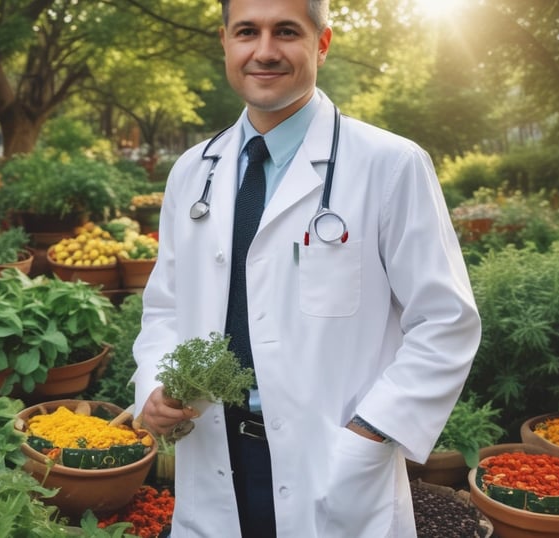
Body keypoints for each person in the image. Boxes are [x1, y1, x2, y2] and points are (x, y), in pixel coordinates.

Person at [131, 0, 482, 536]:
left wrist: (370, 433)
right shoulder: (193, 171)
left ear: (321, 43)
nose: (264, 51)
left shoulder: (389, 164)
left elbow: (445, 323)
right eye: (247, 31)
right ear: (225, 41)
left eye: (286, 31)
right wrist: (155, 387)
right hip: (213, 455)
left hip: (331, 463)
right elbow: (166, 305)